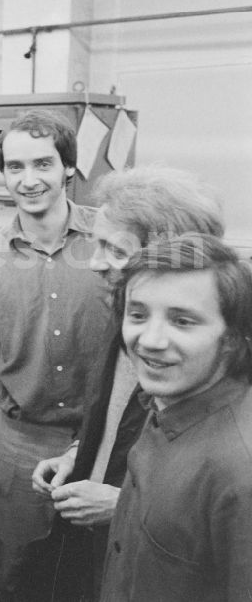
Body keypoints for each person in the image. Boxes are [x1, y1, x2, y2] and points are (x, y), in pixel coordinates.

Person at [25, 166, 224, 600]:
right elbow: (116, 418)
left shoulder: (218, 371)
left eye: (114, 250)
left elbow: (221, 503)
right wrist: (77, 455)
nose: (96, 263)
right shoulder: (122, 317)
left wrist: (120, 505)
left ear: (167, 253)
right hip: (99, 550)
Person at [0, 110, 118, 599]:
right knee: (20, 576)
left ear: (68, 168)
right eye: (15, 167)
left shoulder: (112, 241)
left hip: (102, 444)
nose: (29, 181)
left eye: (43, 164)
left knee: (100, 577)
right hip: (17, 444)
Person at [99, 233, 252, 601]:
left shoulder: (239, 471)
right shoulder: (163, 402)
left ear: (232, 338)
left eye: (182, 321)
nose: (149, 340)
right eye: (137, 314)